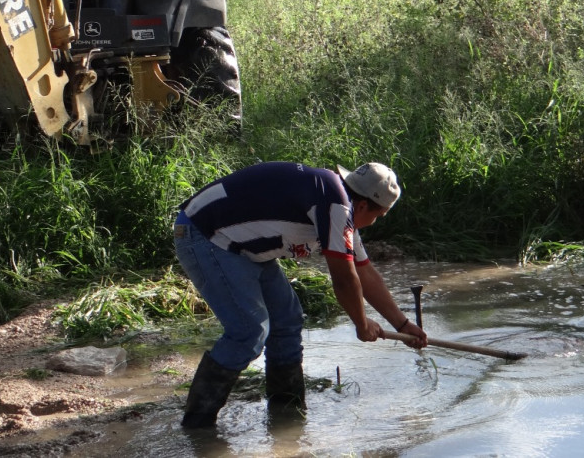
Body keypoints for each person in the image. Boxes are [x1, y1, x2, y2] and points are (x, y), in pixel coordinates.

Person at [173, 161, 428, 428]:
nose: (373, 224)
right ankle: (197, 426)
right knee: (249, 332)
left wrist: (402, 324)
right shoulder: (337, 207)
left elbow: (364, 272)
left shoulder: (338, 204)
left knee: (287, 319)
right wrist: (362, 324)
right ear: (363, 205)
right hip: (204, 233)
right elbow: (344, 279)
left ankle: (287, 417)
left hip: (243, 245)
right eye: (378, 216)